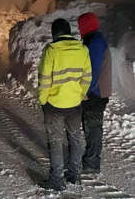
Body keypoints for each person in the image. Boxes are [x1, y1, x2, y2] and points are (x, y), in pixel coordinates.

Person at [38, 18, 92, 191]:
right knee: (75, 138)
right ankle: (75, 175)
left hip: (54, 104)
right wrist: (81, 93)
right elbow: (87, 76)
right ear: (69, 32)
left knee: (55, 141)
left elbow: (45, 79)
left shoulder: (51, 51)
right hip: (75, 104)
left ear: (54, 34)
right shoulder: (82, 49)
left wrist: (43, 99)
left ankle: (57, 180)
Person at [78, 12, 112, 174]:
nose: (79, 29)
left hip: (95, 92)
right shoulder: (93, 39)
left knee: (93, 127)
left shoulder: (95, 42)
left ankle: (92, 163)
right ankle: (90, 159)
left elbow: (93, 69)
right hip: (96, 90)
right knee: (90, 126)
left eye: (81, 25)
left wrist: (86, 90)